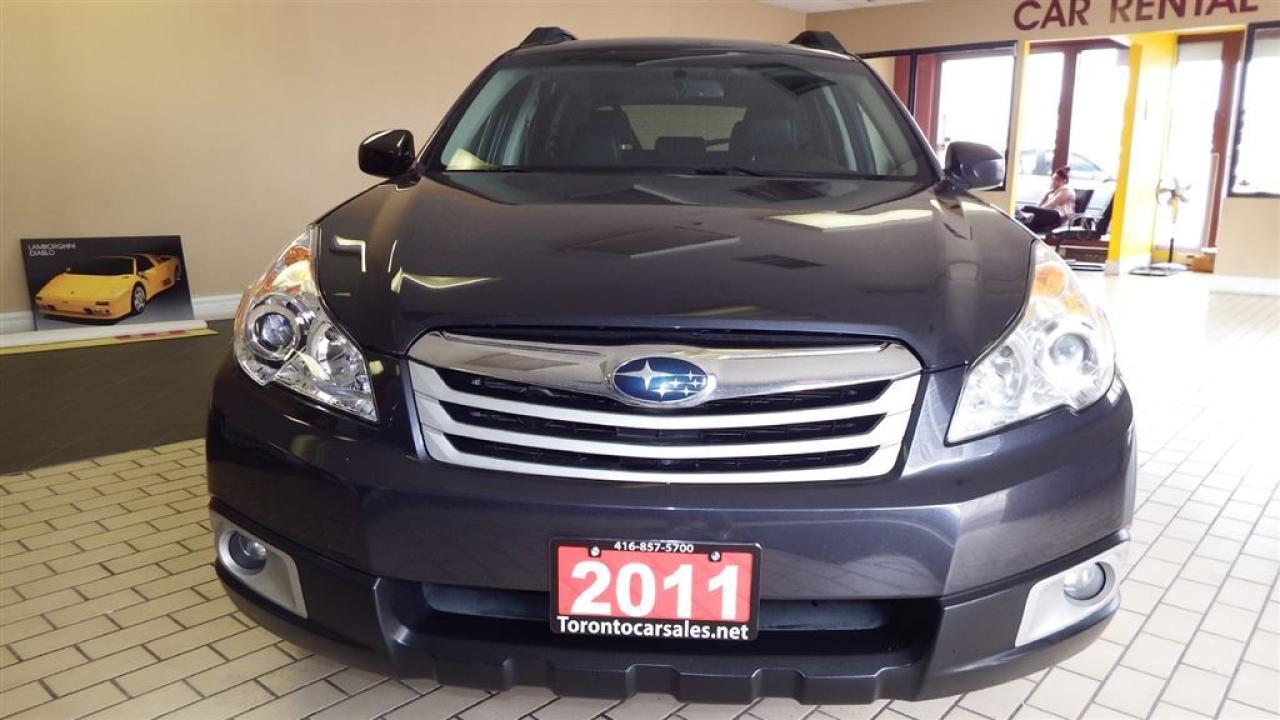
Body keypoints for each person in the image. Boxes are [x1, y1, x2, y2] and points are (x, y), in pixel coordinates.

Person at [1020, 167, 1076, 234]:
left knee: (1027, 209)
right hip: (1051, 214)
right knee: (1029, 220)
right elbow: (1039, 205)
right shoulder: (1054, 191)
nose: (1053, 182)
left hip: (1058, 216)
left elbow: (1051, 205)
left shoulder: (1066, 190)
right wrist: (1046, 195)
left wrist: (1036, 211)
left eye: (1057, 179)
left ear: (1064, 181)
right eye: (1052, 179)